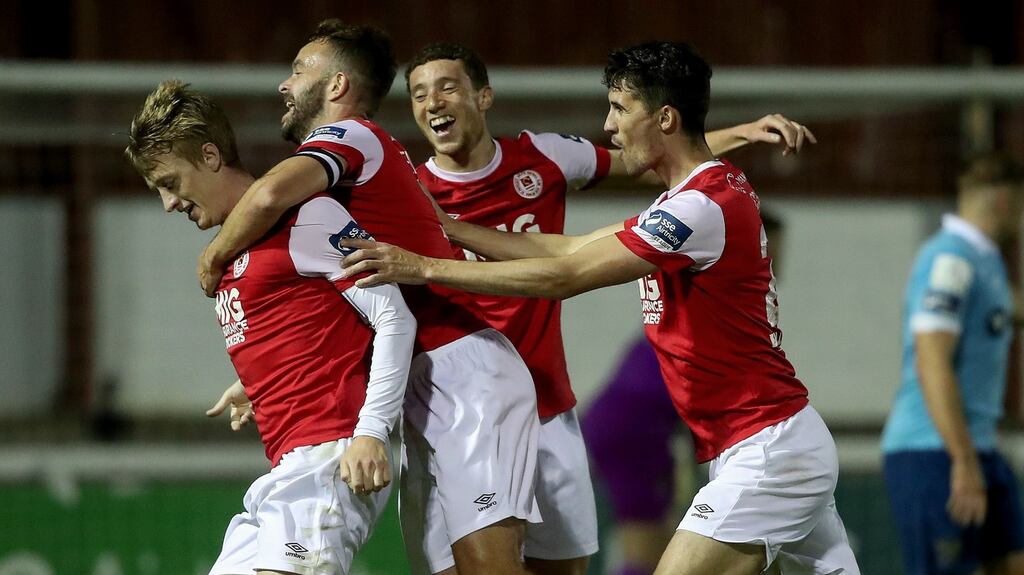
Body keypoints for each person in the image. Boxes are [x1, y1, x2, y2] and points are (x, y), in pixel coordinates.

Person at [340, 41, 861, 574]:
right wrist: (449, 231)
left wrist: (425, 266)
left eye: (620, 109)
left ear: (663, 118)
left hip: (766, 448)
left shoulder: (700, 207)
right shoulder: (686, 200)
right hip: (763, 442)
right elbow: (567, 246)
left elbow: (567, 275)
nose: (609, 126)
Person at [195, 21, 542, 575]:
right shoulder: (356, 166)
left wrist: (215, 255)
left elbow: (264, 195)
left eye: (299, 70)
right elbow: (342, 298)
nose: (285, 84)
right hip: (423, 384)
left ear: (336, 86)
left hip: (464, 371)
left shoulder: (352, 135)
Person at [124, 80, 417, 575]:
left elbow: (393, 317)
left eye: (171, 183)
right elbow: (314, 328)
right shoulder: (238, 251)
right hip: (286, 471)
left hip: (329, 458)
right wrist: (258, 383)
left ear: (211, 156)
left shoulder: (309, 217)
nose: (168, 204)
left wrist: (371, 432)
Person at [582, 211, 786, 575]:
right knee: (646, 548)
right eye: (770, 251)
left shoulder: (719, 305)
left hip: (632, 427)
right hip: (631, 430)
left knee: (658, 548)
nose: (776, 264)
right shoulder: (718, 305)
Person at [881, 155, 1024, 575]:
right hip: (935, 453)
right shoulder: (949, 260)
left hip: (979, 449)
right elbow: (932, 359)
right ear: (1003, 201)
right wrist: (961, 459)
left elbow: (1002, 307)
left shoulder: (984, 261)